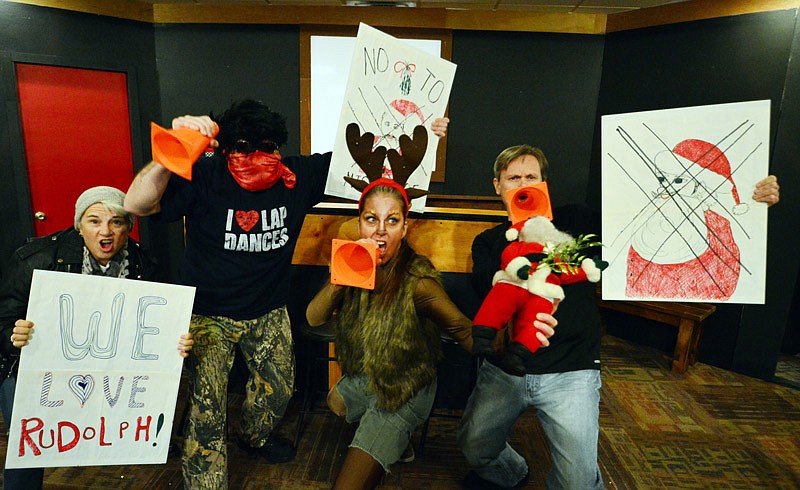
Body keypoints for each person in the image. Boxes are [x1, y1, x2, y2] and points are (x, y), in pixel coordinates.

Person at [123, 99, 452, 489]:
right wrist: (171, 151)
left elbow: (374, 166)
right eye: (244, 148)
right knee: (206, 412)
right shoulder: (206, 173)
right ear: (227, 149)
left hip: (268, 309)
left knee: (279, 389)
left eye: (267, 147)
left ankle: (253, 435)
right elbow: (136, 203)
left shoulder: (297, 175)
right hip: (208, 313)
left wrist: (423, 133)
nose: (256, 157)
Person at [458, 144, 780, 489]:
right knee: (475, 451)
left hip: (571, 366)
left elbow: (655, 206)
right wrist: (524, 244)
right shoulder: (489, 240)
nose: (522, 184)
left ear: (544, 183)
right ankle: (513, 473)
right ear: (498, 186)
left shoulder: (578, 221)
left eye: (531, 177)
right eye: (513, 178)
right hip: (507, 366)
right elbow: (488, 282)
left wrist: (749, 195)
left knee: (578, 483)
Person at [306, 178, 558, 490]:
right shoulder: (353, 264)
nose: (380, 230)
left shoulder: (418, 282)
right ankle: (400, 443)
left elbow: (464, 331)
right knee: (337, 401)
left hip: (405, 389)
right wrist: (342, 275)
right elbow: (314, 317)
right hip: (372, 374)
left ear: (405, 228)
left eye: (392, 220)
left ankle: (396, 432)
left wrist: (513, 331)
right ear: (360, 224)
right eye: (371, 219)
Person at [0, 185, 193, 490]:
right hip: (27, 367)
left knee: (130, 436)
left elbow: (152, 325)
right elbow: (3, 317)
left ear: (128, 228)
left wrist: (174, 342)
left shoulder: (142, 262)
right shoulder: (37, 258)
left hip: (107, 370)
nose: (106, 231)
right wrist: (14, 333)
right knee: (28, 445)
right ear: (79, 226)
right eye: (94, 221)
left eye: (116, 222)